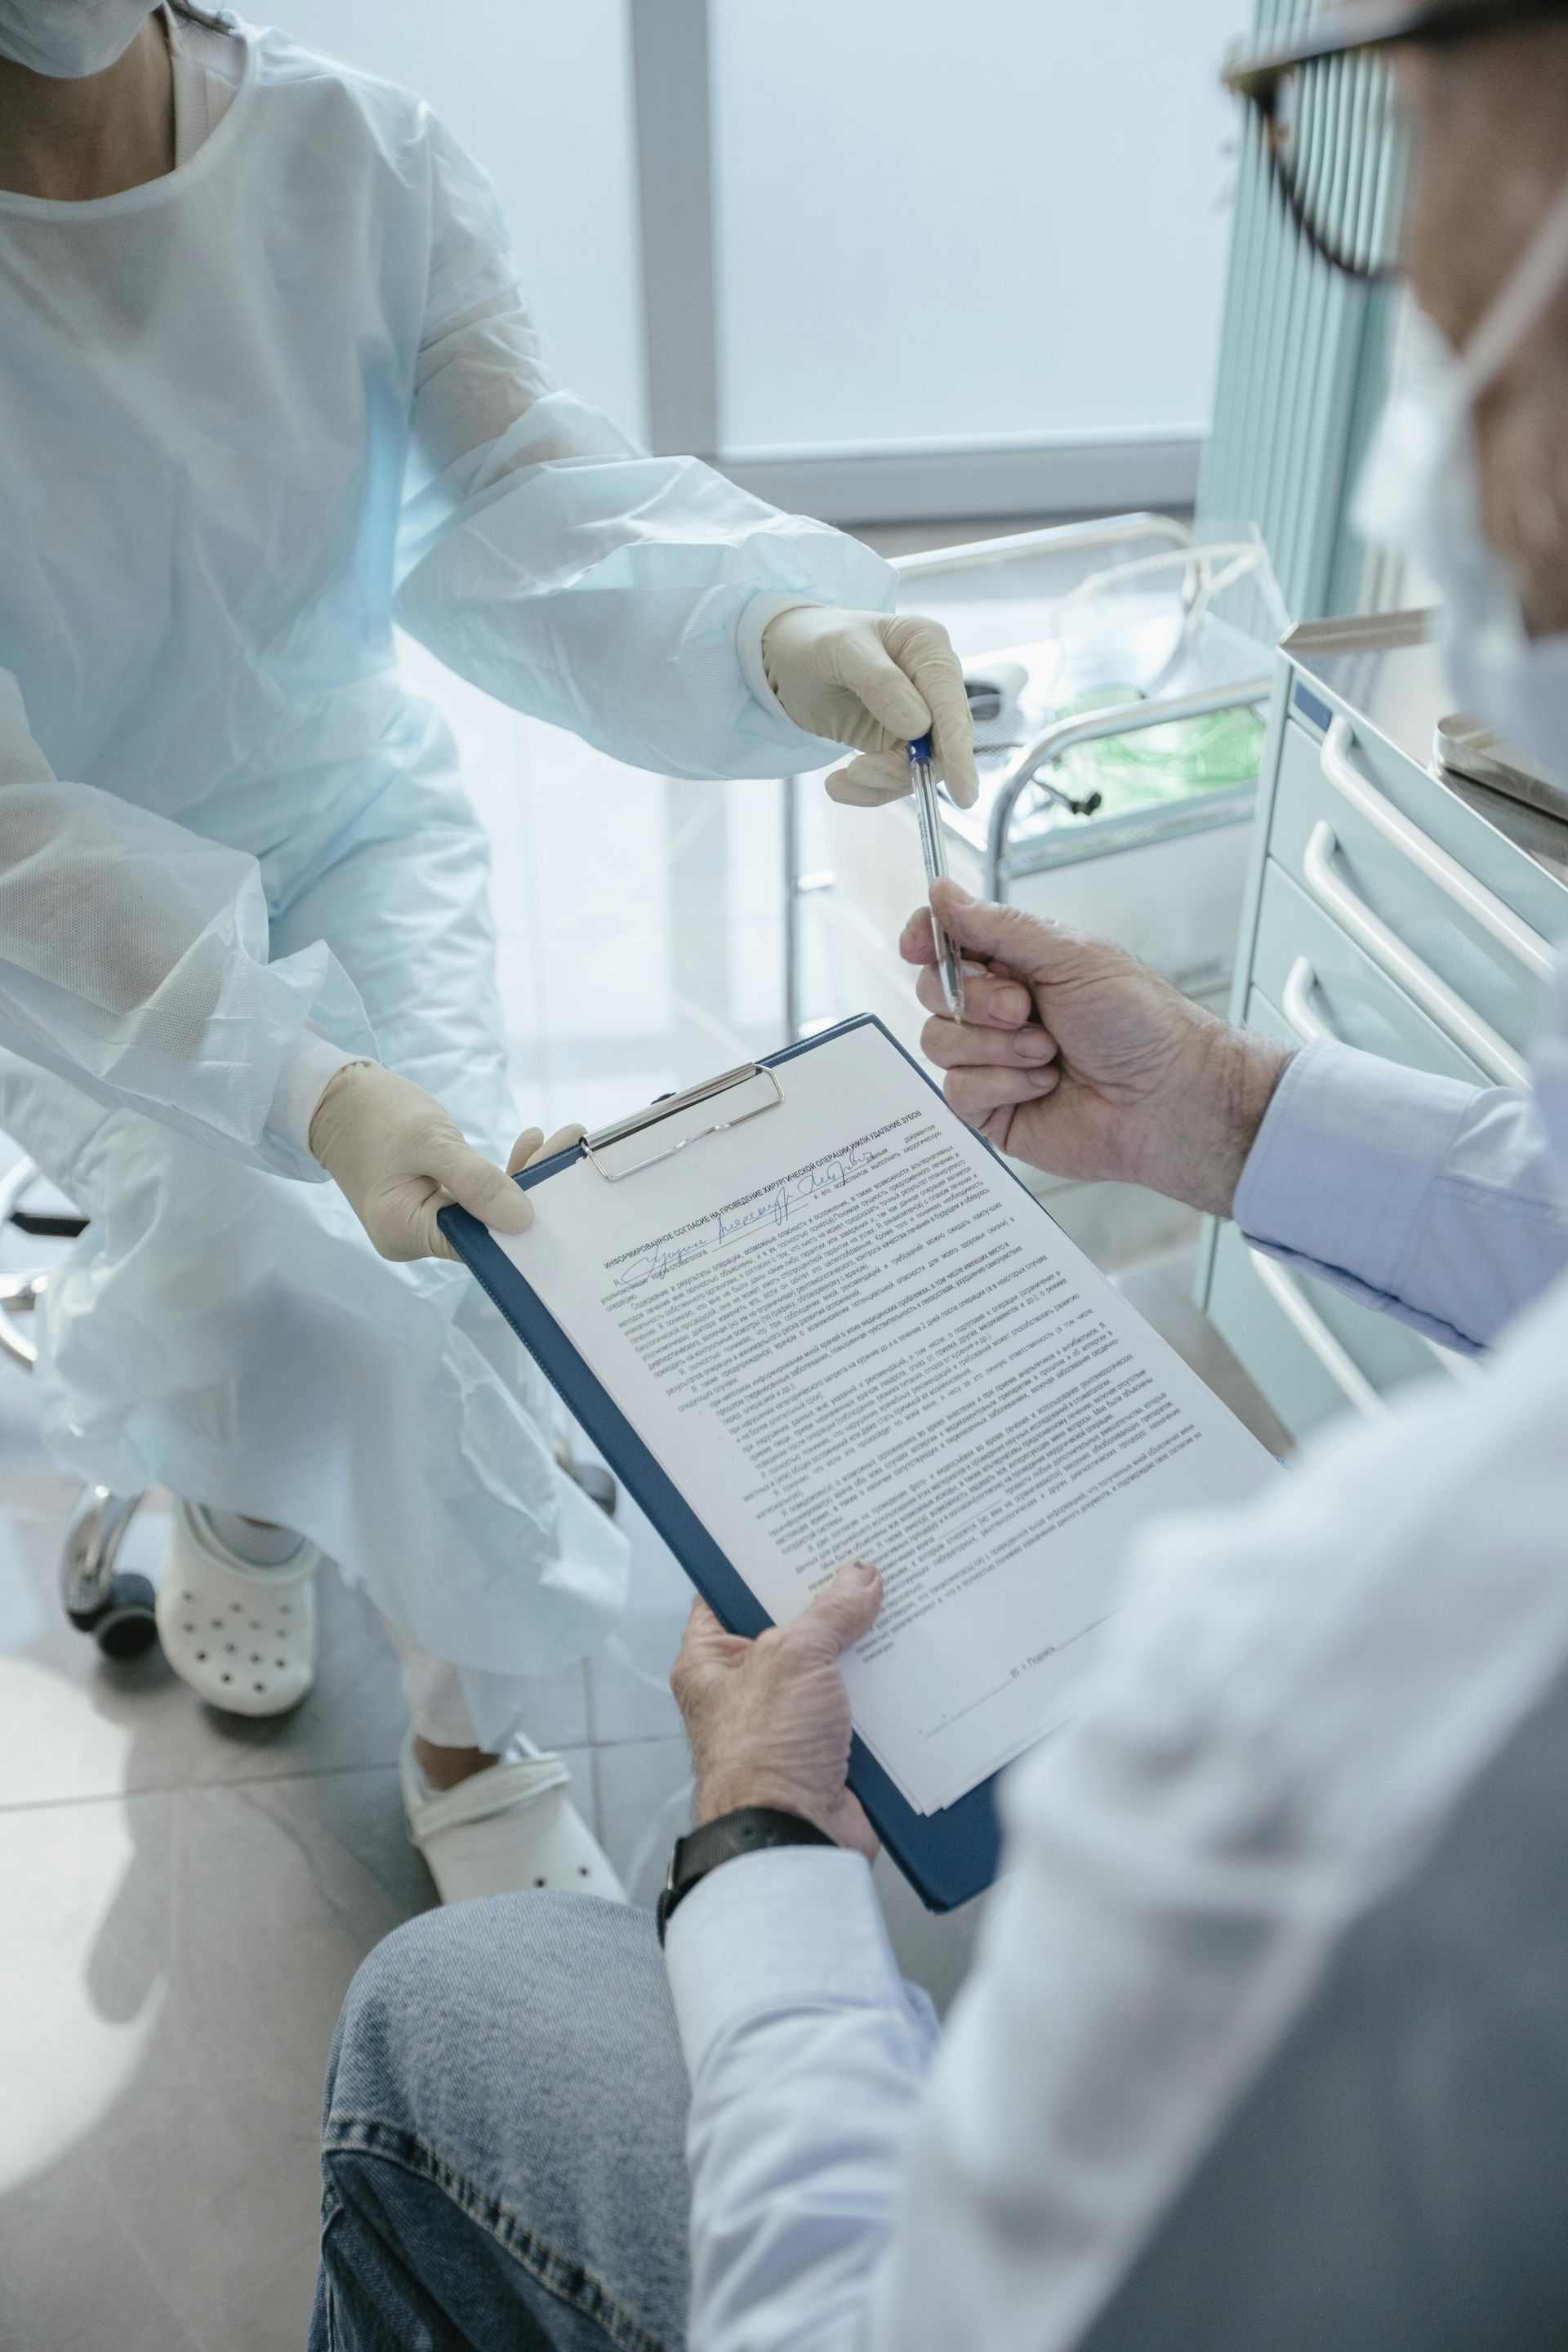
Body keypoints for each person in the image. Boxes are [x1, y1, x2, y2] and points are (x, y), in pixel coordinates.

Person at [309, 2, 1568, 2345]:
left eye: (1467, 313)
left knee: (441, 2010)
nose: (1432, 459)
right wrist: (1215, 1101)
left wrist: (761, 1852)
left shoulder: (1393, 1716)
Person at [0, 0, 978, 1899]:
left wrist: (768, 635)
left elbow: (517, 492)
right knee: (255, 1292)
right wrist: (307, 1087)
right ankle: (235, 1483)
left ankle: (471, 1724)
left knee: (459, 1274)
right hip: (78, 926)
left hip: (351, 813)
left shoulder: (354, 155)